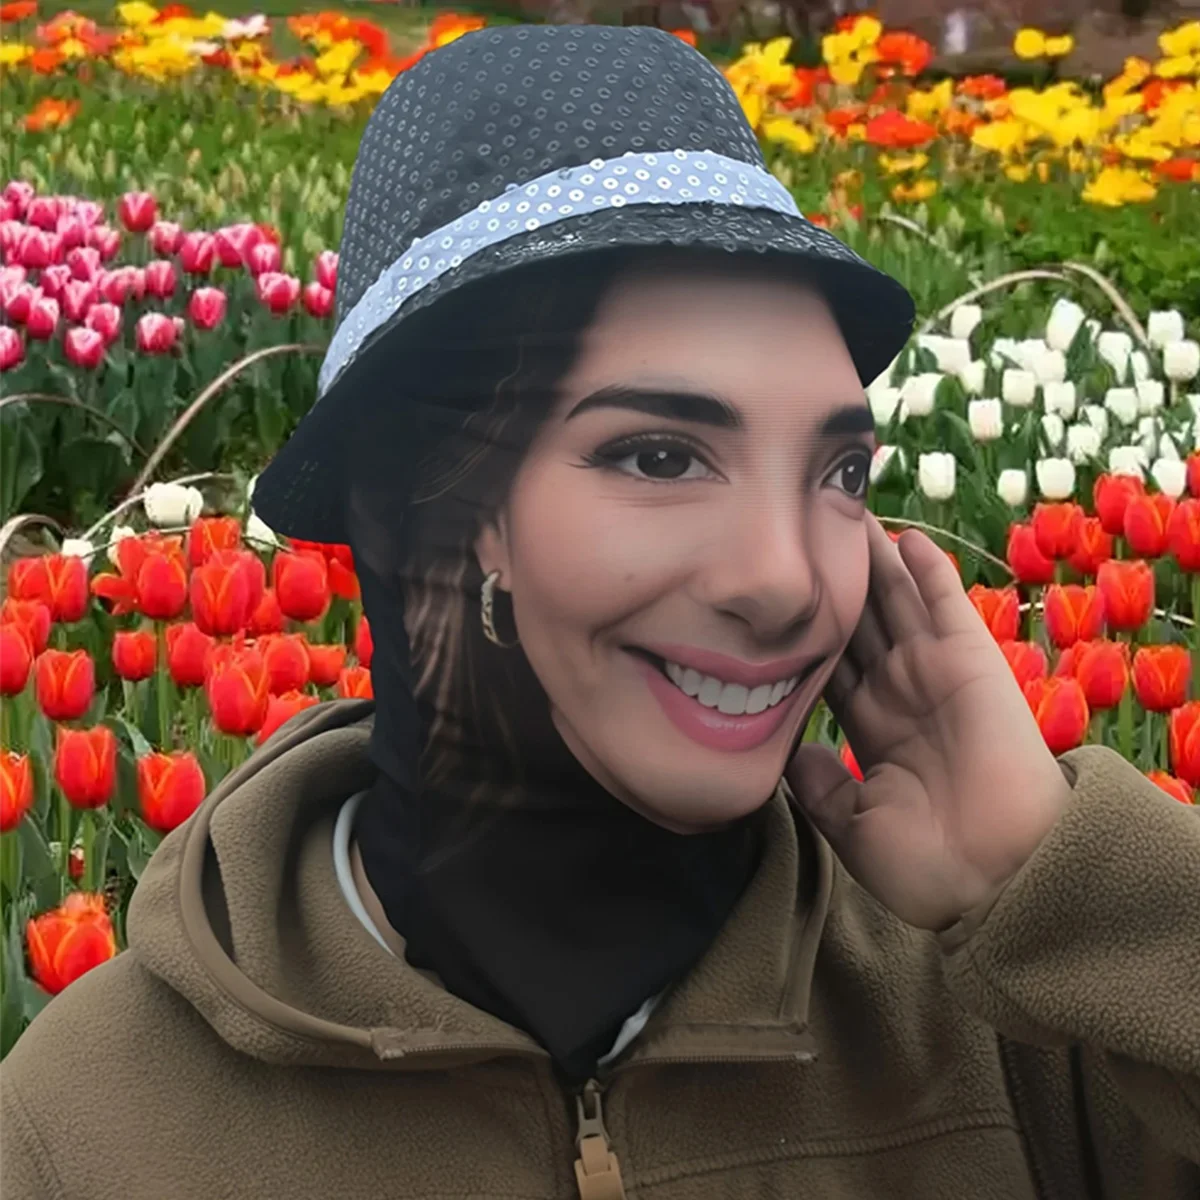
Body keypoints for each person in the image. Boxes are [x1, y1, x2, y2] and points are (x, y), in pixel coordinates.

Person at [3, 24, 1198, 1200]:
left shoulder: (1026, 1025)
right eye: (660, 456)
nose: (789, 580)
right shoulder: (88, 1130)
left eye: (839, 472)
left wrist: (1064, 887)